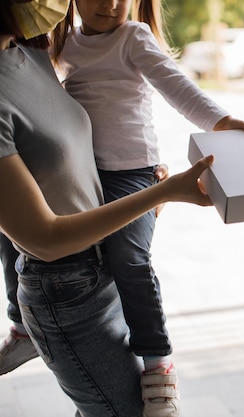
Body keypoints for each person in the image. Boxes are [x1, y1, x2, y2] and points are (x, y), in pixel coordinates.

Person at [0, 0, 219, 415]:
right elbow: (42, 239)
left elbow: (68, 149)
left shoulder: (31, 50)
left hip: (100, 271)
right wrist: (160, 193)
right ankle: (156, 359)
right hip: (63, 291)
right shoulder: (56, 47)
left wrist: (137, 186)